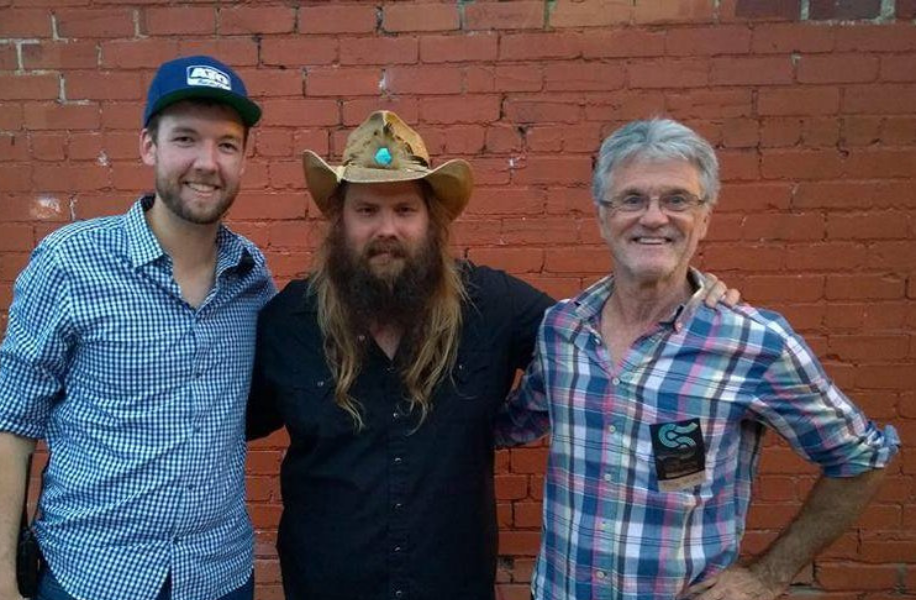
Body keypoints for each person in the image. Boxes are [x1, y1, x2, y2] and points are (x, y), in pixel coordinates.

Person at [245, 111, 736, 600]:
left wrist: (681, 292)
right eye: (367, 210)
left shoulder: (492, 305)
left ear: (432, 221)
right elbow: (224, 424)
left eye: (405, 210)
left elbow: (598, 339)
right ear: (340, 221)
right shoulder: (289, 322)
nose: (386, 229)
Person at [495, 118, 900, 600]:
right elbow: (510, 424)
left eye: (677, 199)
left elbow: (863, 458)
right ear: (602, 217)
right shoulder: (563, 331)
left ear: (704, 218)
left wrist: (768, 576)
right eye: (631, 199)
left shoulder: (752, 342)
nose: (653, 217)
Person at [0, 55, 275, 600]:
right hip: (92, 574)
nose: (207, 162)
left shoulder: (252, 278)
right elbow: (9, 428)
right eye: (185, 138)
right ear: (148, 146)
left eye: (227, 144)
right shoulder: (69, 264)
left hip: (219, 575)